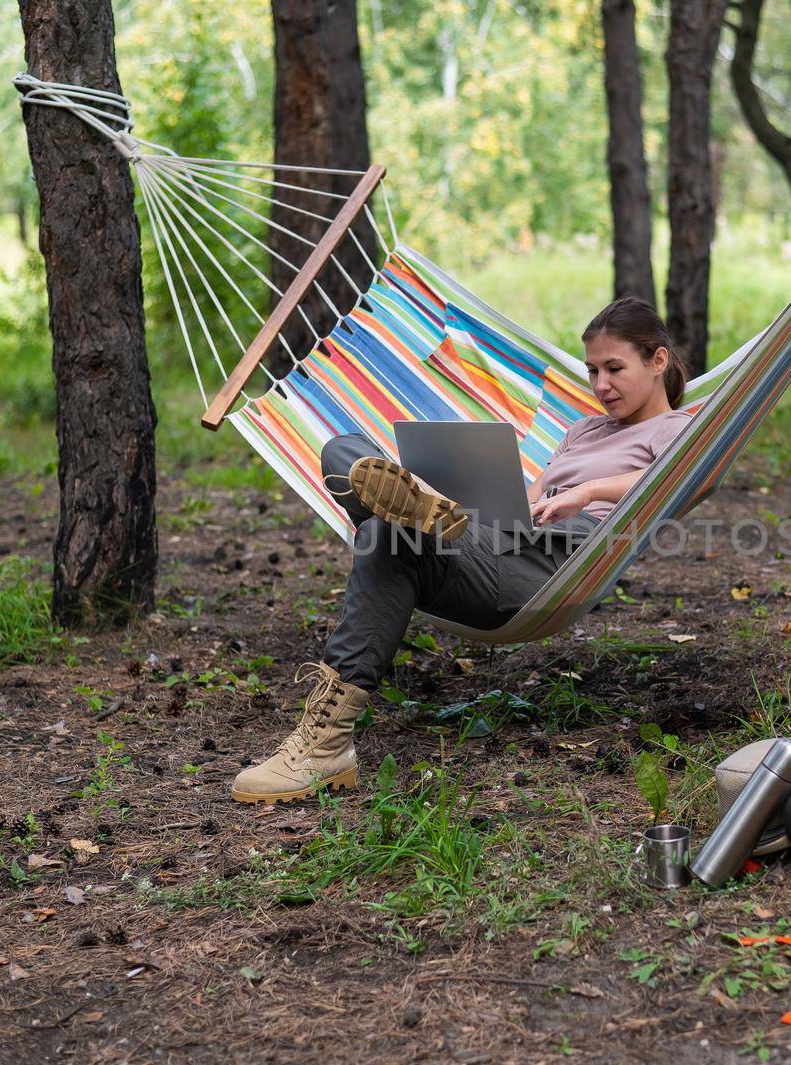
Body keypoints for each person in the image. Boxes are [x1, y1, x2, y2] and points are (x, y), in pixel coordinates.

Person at [230, 297, 694, 804]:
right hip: (500, 539)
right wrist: (497, 500)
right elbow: (533, 497)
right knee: (346, 456)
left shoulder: (678, 430)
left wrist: (587, 492)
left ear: (658, 362)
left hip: (557, 561)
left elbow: (671, 481)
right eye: (592, 371)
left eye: (614, 369)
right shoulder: (583, 428)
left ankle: (418, 513)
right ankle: (427, 510)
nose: (600, 385)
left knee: (388, 530)